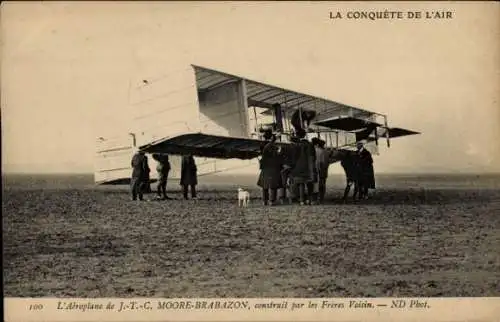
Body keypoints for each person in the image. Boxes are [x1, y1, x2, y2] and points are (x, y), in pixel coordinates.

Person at [289, 129, 317, 205]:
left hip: (299, 167)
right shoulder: (310, 145)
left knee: (301, 184)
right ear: (304, 135)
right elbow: (313, 157)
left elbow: (294, 157)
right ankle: (310, 199)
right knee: (309, 183)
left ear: (297, 135)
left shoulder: (297, 145)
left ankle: (301, 200)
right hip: (309, 166)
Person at [257, 131, 283, 205]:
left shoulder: (263, 145)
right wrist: (280, 152)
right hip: (273, 167)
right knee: (273, 185)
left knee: (265, 185)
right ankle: (272, 200)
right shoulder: (272, 146)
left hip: (265, 167)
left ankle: (265, 200)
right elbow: (276, 156)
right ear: (271, 137)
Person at [315, 139, 330, 204]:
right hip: (324, 170)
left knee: (318, 185)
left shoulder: (317, 151)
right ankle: (322, 198)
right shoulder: (326, 152)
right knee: (323, 184)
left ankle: (318, 198)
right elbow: (328, 162)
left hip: (319, 170)